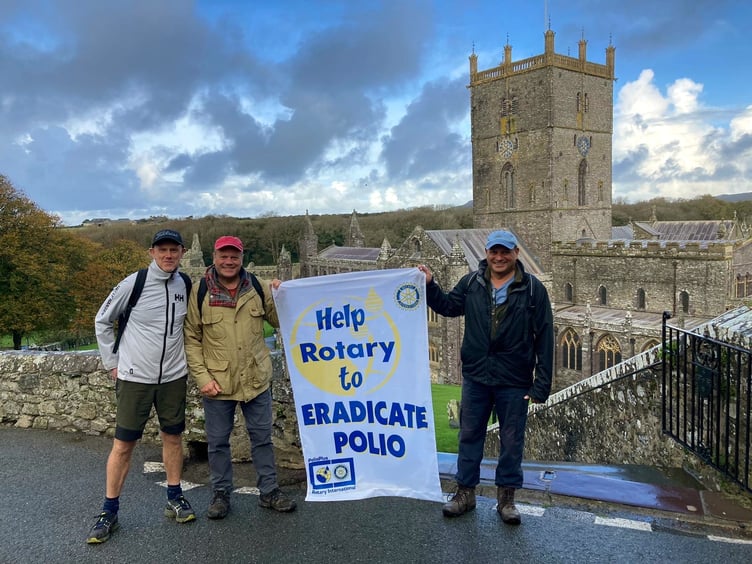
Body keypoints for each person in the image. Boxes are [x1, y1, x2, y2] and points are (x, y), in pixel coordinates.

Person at [417, 229, 553, 525]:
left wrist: (541, 384)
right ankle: (465, 493)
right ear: (487, 253)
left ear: (516, 253)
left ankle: (506, 500)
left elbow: (545, 337)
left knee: (511, 441)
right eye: (494, 251)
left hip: (514, 380)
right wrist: (429, 285)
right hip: (477, 377)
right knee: (468, 437)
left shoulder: (533, 289)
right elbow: (448, 306)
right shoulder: (471, 282)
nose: (499, 257)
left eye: (505, 251)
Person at [88, 229, 195, 544]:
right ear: (152, 252)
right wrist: (112, 363)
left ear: (182, 252)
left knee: (173, 438)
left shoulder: (185, 284)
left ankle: (174, 496)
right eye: (162, 250)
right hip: (135, 377)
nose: (168, 255)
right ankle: (109, 511)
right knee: (123, 445)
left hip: (173, 377)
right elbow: (102, 320)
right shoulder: (133, 283)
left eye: (173, 250)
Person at [184, 235, 296, 520]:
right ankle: (221, 494)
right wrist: (202, 378)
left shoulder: (257, 286)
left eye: (234, 256)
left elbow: (280, 321)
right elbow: (192, 339)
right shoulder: (199, 292)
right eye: (224, 255)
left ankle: (269, 492)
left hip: (256, 379)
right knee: (218, 442)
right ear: (214, 256)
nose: (229, 261)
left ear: (241, 257)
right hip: (218, 384)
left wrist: (282, 296)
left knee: (262, 439)